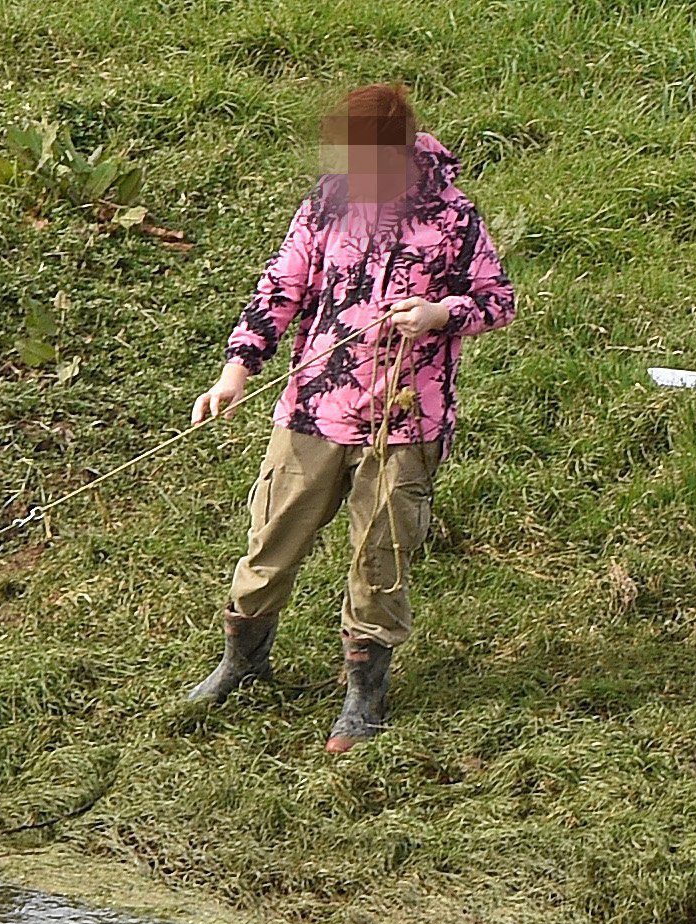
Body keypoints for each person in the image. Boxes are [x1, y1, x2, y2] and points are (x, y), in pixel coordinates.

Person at [186, 83, 516, 752]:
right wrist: (235, 371)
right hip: (314, 408)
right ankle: (242, 663)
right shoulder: (327, 204)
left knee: (380, 558)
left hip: (407, 420)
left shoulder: (453, 216)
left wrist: (439, 315)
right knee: (271, 539)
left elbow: (497, 300)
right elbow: (281, 287)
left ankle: (364, 697)